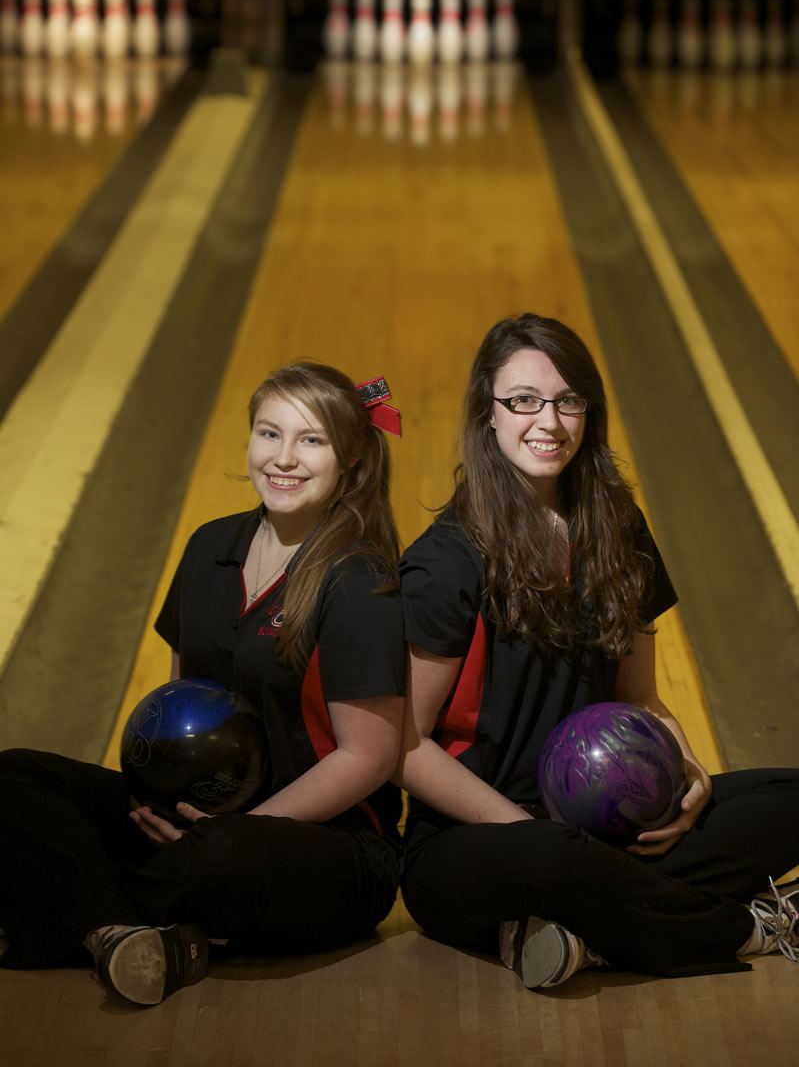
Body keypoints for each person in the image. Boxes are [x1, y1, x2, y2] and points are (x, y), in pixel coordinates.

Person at [396, 313, 799, 989]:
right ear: (486, 415)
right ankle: (753, 926)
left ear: (588, 413)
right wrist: (528, 830)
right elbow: (403, 745)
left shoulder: (618, 529)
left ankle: (585, 934)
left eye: (567, 401)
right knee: (556, 863)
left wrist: (687, 780)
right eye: (522, 400)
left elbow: (640, 697)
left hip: (605, 825)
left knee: (787, 797)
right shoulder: (445, 562)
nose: (547, 421)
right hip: (480, 844)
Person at [0, 363, 406, 1005]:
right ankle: (119, 933)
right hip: (197, 820)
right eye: (269, 434)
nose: (284, 459)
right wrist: (153, 804)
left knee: (220, 860)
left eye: (312, 441)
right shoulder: (210, 546)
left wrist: (222, 831)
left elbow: (371, 757)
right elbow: (174, 706)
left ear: (352, 461)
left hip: (325, 845)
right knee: (14, 777)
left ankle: (63, 912)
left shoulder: (359, 581)